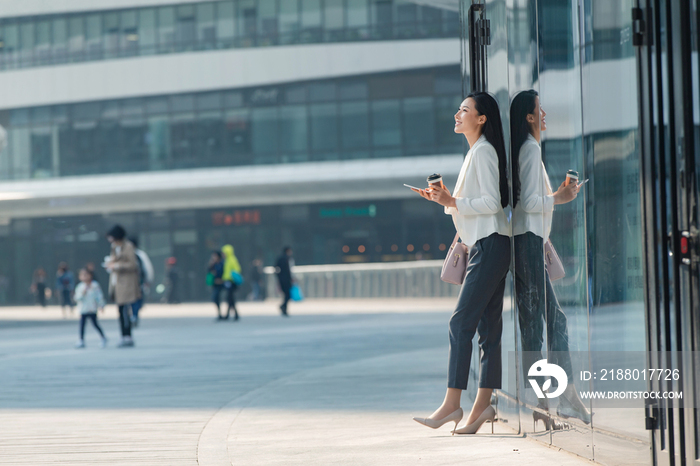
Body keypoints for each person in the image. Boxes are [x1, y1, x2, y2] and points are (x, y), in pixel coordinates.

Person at [411, 92, 511, 435]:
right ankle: (482, 407)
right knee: (488, 331)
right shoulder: (476, 152)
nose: (457, 114)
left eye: (464, 110)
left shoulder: (482, 152)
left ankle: (452, 405)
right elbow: (474, 204)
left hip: (490, 243)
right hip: (489, 243)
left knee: (460, 324)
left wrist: (452, 199)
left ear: (481, 119)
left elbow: (492, 202)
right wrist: (445, 200)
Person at [510, 90, 590, 424]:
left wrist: (555, 196)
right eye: (538, 110)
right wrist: (559, 196)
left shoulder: (526, 149)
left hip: (527, 243)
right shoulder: (530, 149)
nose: (543, 115)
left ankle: (543, 404)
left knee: (534, 328)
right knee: (554, 321)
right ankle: (566, 396)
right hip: (528, 242)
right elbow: (529, 202)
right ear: (528, 117)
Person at [105, 225, 140, 348]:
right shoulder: (114, 247)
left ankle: (127, 336)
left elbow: (132, 264)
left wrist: (117, 266)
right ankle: (124, 335)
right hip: (116, 282)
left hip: (126, 283)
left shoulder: (128, 246)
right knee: (120, 311)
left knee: (125, 311)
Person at [73, 268, 107, 349]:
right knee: (82, 325)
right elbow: (76, 298)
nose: (84, 277)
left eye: (86, 275)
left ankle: (103, 337)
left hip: (92, 309)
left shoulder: (95, 285)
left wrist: (101, 305)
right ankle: (81, 340)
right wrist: (82, 294)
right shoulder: (80, 287)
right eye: (82, 275)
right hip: (83, 309)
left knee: (95, 324)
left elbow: (99, 296)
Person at [128, 236, 154, 327]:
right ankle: (134, 316)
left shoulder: (140, 255)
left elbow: (147, 269)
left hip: (138, 283)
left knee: (137, 300)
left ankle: (134, 316)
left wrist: (148, 280)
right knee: (133, 301)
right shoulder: (131, 254)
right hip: (130, 284)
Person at [221, 245, 241, 320]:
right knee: (230, 299)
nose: (223, 255)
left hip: (231, 282)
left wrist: (230, 277)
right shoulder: (227, 260)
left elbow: (237, 270)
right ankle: (234, 314)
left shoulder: (232, 259)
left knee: (230, 298)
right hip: (228, 281)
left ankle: (231, 315)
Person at [275, 247, 294, 316]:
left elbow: (276, 268)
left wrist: (279, 276)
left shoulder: (280, 258)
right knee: (288, 295)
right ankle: (283, 307)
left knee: (286, 294)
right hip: (287, 279)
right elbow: (289, 270)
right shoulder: (287, 259)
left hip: (281, 279)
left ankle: (284, 307)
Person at [208, 251, 225, 320]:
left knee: (225, 298)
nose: (213, 257)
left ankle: (225, 314)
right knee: (215, 298)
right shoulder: (213, 264)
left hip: (222, 283)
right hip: (215, 284)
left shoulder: (222, 264)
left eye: (215, 256)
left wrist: (222, 280)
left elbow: (224, 273)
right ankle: (219, 313)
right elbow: (209, 271)